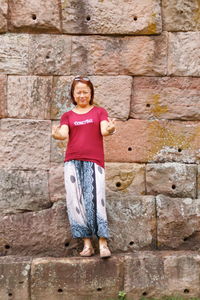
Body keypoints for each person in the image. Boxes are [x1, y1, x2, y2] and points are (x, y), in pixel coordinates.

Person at [52, 76, 116, 258]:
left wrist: (111, 129)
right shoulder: (68, 116)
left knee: (96, 199)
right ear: (73, 94)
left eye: (85, 92)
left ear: (91, 93)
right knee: (76, 202)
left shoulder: (99, 112)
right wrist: (57, 134)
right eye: (78, 92)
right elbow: (63, 133)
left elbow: (104, 130)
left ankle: (103, 242)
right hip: (72, 162)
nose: (82, 95)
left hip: (94, 161)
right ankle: (87, 244)